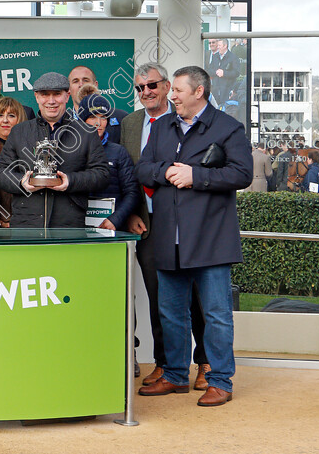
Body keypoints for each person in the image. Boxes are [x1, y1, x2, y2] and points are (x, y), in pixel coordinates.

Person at [137, 66, 252, 407]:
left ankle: (220, 381)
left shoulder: (228, 128)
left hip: (211, 239)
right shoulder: (161, 128)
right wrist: (168, 172)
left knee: (216, 314)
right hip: (168, 237)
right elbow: (142, 168)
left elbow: (242, 173)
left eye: (178, 91)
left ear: (198, 92)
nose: (171, 95)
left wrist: (196, 176)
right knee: (171, 312)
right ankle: (174, 375)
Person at [121, 62, 209, 388]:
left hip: (186, 220)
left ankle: (205, 362)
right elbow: (127, 176)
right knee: (159, 297)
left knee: (197, 294)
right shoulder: (129, 123)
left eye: (153, 86)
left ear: (167, 86)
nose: (146, 92)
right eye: (140, 88)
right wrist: (130, 213)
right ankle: (165, 364)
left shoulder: (183, 121)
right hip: (145, 223)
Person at [0, 72, 108, 228]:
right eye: (45, 95)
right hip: (26, 223)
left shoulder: (86, 132)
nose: (51, 101)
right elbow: (0, 173)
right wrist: (22, 181)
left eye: (57, 94)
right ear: (37, 97)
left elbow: (102, 174)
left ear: (67, 96)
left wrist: (70, 181)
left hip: (69, 224)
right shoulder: (19, 131)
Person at [77, 94, 139, 231]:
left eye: (103, 117)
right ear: (82, 120)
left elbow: (132, 193)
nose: (98, 122)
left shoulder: (119, 152)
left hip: (111, 228)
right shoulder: (70, 151)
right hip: (78, 228)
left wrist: (115, 219)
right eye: (92, 117)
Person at [0, 97, 27, 227]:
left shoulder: (32, 147)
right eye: (0, 115)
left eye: (11, 115)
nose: (5, 120)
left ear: (20, 119)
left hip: (27, 221)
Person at [68, 65, 127, 144]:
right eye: (75, 81)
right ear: (69, 88)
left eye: (86, 80)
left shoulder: (121, 118)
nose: (81, 85)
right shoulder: (62, 123)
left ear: (95, 85)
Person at [207, 39, 240, 105]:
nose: (217, 47)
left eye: (219, 45)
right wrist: (216, 72)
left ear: (225, 46)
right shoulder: (215, 57)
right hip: (215, 90)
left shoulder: (233, 57)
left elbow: (236, 73)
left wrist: (224, 73)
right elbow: (209, 70)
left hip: (227, 91)